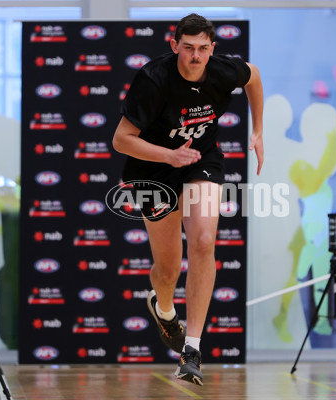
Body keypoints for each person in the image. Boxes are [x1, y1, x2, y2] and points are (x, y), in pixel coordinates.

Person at [112, 13, 264, 386]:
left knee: (203, 241)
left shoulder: (223, 70)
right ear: (174, 45)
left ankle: (191, 349)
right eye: (188, 48)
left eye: (203, 49)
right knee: (167, 271)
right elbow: (121, 139)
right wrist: (168, 156)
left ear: (212, 48)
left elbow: (254, 77)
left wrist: (259, 130)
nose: (195, 56)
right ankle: (163, 309)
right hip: (155, 166)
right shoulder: (153, 78)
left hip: (201, 158)